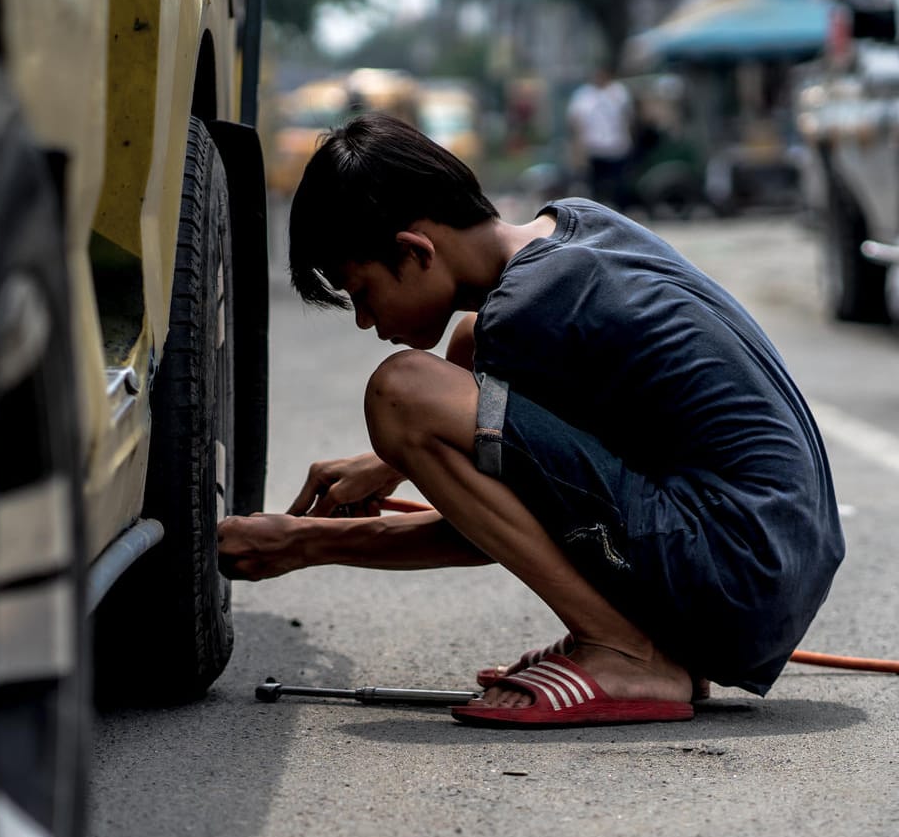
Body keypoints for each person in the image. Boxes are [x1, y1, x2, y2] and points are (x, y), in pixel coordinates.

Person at [215, 115, 846, 727]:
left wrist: (303, 542)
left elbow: (501, 526)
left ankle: (625, 653)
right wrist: (390, 464)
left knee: (403, 392)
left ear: (414, 252)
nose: (364, 321)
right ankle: (642, 641)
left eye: (362, 291)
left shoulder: (528, 315)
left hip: (735, 577)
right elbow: (552, 480)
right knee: (465, 344)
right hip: (772, 561)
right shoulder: (574, 229)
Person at [566, 65, 635, 210]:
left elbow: (628, 118)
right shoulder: (583, 95)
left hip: (617, 145)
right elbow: (576, 124)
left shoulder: (619, 92)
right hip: (594, 147)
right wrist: (577, 150)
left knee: (618, 183)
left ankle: (620, 210)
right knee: (595, 184)